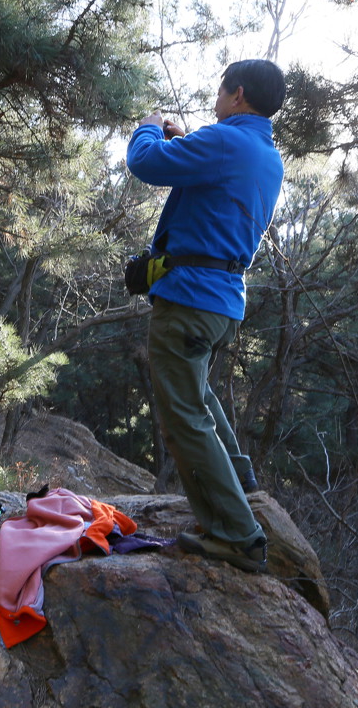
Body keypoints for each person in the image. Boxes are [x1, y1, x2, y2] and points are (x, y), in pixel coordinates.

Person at [125, 59, 286, 573]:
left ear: (237, 94)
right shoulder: (263, 152)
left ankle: (236, 535)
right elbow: (217, 189)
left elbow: (146, 164)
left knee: (182, 417)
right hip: (221, 299)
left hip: (191, 297)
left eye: (220, 89)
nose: (216, 97)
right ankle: (240, 486)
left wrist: (148, 126)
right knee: (198, 395)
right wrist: (188, 138)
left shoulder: (225, 143)